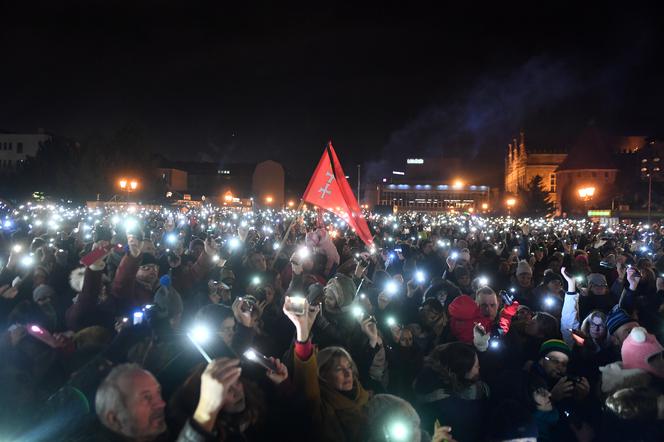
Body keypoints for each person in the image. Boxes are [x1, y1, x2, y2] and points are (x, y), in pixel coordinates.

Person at [283, 296, 370, 442]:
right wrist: (302, 330)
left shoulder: (367, 399)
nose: (348, 373)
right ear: (322, 374)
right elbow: (307, 376)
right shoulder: (321, 409)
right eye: (338, 369)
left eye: (349, 366)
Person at [95, 358, 243, 441]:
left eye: (158, 393)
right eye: (146, 398)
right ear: (114, 419)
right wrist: (207, 410)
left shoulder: (173, 428)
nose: (161, 403)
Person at [414, 342, 489, 442]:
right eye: (476, 366)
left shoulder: (435, 381)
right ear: (464, 372)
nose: (479, 368)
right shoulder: (456, 407)